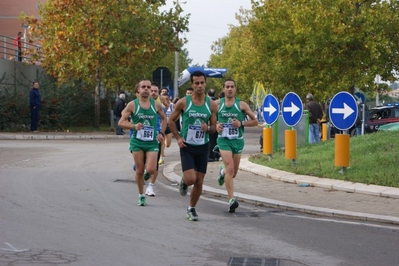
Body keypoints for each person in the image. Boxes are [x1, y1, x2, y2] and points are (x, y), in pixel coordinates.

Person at [168, 71, 217, 221]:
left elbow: (215, 127)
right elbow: (171, 121)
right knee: (191, 179)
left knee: (199, 181)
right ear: (192, 84)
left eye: (202, 83)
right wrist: (177, 137)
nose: (200, 86)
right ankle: (184, 181)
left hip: (203, 146)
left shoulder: (211, 104)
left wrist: (207, 129)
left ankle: (191, 208)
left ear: (205, 83)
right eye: (197, 83)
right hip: (187, 146)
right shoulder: (183, 102)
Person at [118, 79, 167, 206]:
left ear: (151, 90)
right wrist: (133, 126)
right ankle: (141, 195)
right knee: (139, 170)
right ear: (138, 90)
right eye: (143, 87)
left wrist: (161, 133)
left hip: (151, 142)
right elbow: (121, 122)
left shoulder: (156, 105)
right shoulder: (132, 105)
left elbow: (164, 119)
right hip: (137, 142)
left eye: (148, 87)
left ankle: (147, 176)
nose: (146, 89)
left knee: (151, 169)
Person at [214, 79, 258, 213]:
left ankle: (222, 172)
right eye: (227, 87)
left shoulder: (242, 105)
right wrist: (216, 125)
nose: (229, 89)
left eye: (232, 87)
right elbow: (209, 118)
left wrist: (241, 123)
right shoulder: (216, 104)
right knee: (230, 167)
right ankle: (231, 200)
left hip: (237, 140)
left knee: (233, 173)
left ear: (235, 89)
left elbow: (255, 121)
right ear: (223, 89)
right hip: (223, 140)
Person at [144, 82, 163, 197]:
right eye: (152, 91)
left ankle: (150, 186)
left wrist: (161, 133)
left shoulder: (159, 106)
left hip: (155, 139)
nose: (154, 93)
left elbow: (165, 120)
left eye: (156, 91)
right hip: (141, 139)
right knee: (140, 165)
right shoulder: (138, 104)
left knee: (154, 165)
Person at [159, 94, 173, 165]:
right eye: (164, 99)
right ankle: (161, 157)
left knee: (167, 144)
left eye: (167, 99)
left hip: (169, 127)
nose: (166, 101)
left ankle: (163, 145)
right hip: (162, 127)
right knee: (161, 142)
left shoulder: (172, 106)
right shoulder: (160, 106)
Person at [207, 89, 218, 162]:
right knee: (215, 140)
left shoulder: (207, 102)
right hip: (217, 124)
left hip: (210, 124)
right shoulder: (218, 102)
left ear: (207, 94)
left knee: (210, 141)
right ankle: (216, 155)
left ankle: (210, 155)